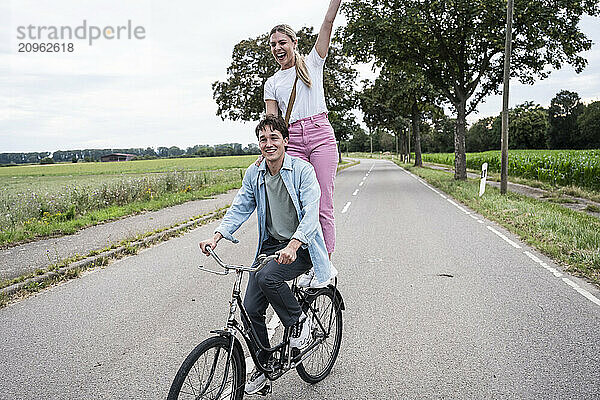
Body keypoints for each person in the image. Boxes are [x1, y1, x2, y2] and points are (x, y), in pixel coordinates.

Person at [198, 115, 332, 395]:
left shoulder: (303, 171)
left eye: (274, 138)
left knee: (269, 279)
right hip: (271, 247)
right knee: (250, 309)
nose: (268, 144)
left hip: (302, 246)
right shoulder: (255, 172)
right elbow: (240, 207)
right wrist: (216, 236)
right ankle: (264, 368)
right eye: (263, 139)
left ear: (286, 140)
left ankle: (300, 324)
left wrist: (294, 245)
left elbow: (311, 214)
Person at [264, 0, 342, 261]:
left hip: (320, 136)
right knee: (300, 207)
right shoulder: (272, 83)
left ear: (294, 43)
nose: (278, 48)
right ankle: (302, 261)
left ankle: (324, 267)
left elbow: (328, 23)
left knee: (322, 205)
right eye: (273, 44)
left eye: (282, 42)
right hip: (293, 140)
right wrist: (267, 150)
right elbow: (272, 123)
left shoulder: (312, 63)